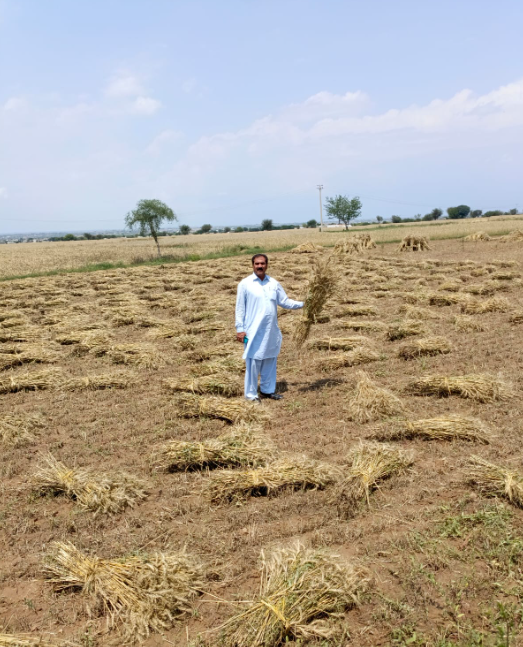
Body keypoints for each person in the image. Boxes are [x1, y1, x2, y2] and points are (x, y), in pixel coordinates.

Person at [235, 253, 304, 402]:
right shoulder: (245, 284)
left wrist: (305, 304)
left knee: (270, 360)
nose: (260, 266)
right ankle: (251, 395)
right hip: (253, 330)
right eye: (257, 264)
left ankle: (267, 390)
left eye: (262, 263)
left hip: (271, 330)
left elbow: (284, 301)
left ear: (267, 265)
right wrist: (240, 329)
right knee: (253, 362)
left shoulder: (273, 283)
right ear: (252, 265)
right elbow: (240, 308)